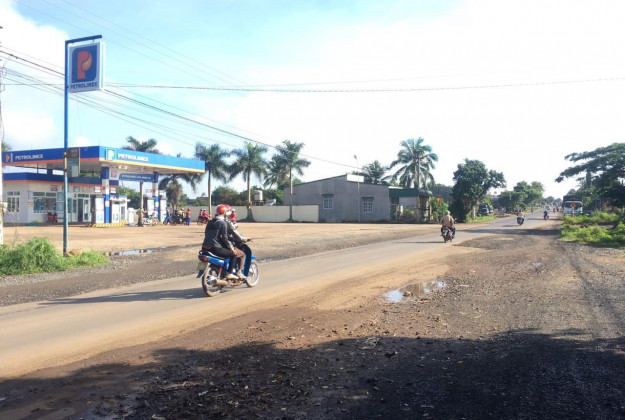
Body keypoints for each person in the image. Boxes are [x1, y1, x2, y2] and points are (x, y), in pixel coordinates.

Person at [199, 204, 246, 280]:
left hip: (205, 247)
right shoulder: (223, 223)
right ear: (224, 213)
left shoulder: (210, 222)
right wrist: (232, 248)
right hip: (215, 248)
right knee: (234, 254)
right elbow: (225, 238)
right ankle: (229, 273)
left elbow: (206, 234)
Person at [224, 207, 252, 277]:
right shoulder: (227, 222)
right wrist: (245, 239)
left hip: (218, 245)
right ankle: (242, 273)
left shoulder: (214, 221)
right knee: (246, 252)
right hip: (230, 243)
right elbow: (236, 235)